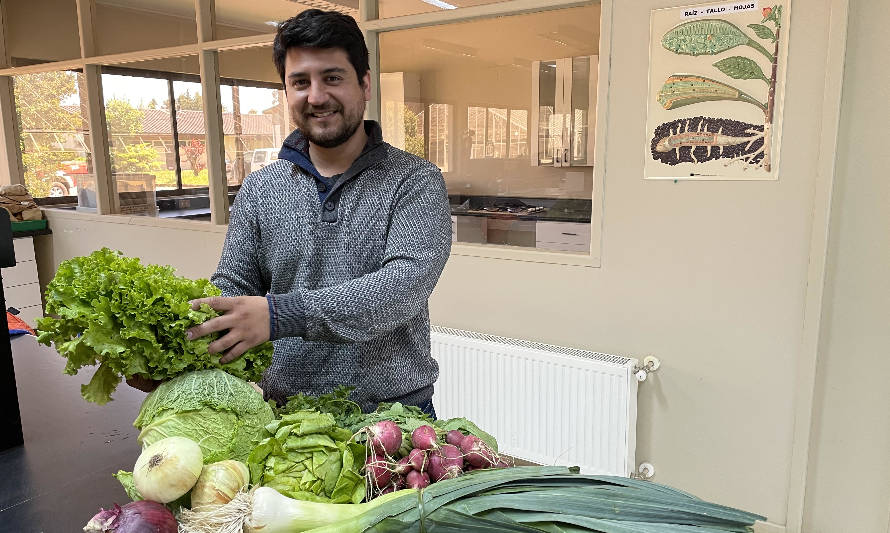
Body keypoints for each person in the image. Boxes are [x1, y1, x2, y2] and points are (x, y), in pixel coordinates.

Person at [182, 9, 452, 417]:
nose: (317, 96)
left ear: (364, 85)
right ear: (286, 92)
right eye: (300, 82)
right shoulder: (261, 189)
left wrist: (278, 315)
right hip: (285, 417)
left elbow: (399, 290)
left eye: (332, 77)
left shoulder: (415, 181)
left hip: (393, 420)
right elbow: (234, 285)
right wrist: (186, 340)